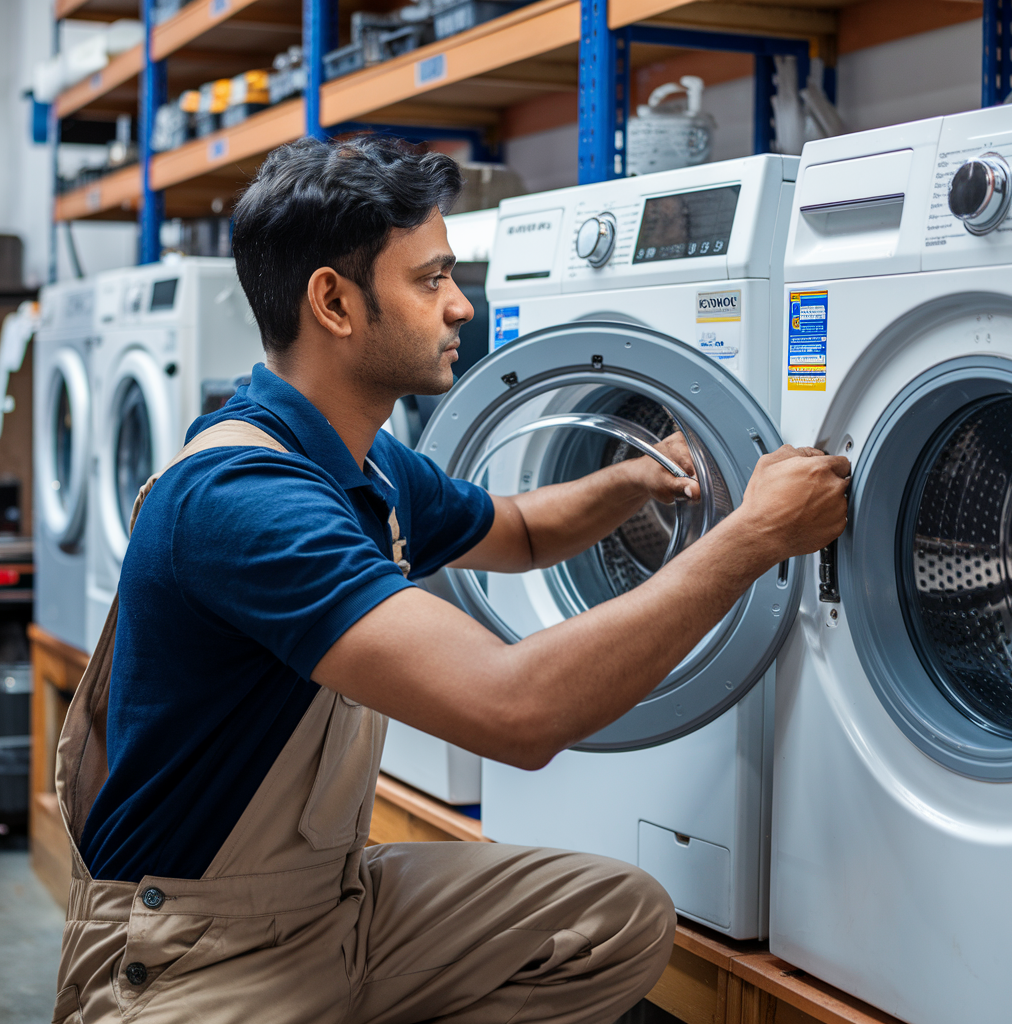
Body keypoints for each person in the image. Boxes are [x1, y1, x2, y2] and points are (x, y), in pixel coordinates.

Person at [52, 135, 849, 1024]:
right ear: (335, 302)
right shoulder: (246, 500)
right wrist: (753, 540)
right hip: (191, 951)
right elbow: (515, 711)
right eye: (431, 280)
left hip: (329, 906)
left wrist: (636, 475)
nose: (462, 305)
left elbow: (518, 528)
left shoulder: (362, 460)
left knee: (615, 917)